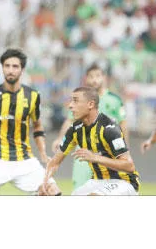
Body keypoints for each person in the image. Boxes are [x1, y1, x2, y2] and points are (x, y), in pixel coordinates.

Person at [0, 49, 60, 196]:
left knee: (53, 191)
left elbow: (38, 126)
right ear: (2, 68)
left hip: (24, 160)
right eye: (7, 66)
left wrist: (43, 153)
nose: (10, 70)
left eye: (15, 66)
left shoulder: (33, 96)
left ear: (22, 70)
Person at [44, 87, 140, 196]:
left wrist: (95, 157)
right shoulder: (75, 129)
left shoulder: (109, 128)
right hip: (97, 181)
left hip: (124, 181)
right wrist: (46, 183)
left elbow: (129, 166)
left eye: (75, 101)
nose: (70, 105)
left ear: (90, 104)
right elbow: (54, 163)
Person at [50, 64, 129, 192]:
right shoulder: (80, 100)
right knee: (80, 190)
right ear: (86, 79)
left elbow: (123, 124)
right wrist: (60, 138)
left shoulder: (115, 100)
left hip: (107, 155)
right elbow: (70, 120)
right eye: (91, 76)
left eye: (98, 76)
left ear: (104, 77)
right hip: (83, 152)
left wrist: (124, 150)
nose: (94, 80)